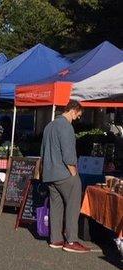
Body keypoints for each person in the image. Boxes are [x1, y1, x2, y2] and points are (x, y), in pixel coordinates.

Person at [41, 100, 90, 253]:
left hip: (50, 174)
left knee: (56, 207)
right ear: (73, 110)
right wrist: (74, 172)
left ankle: (55, 239)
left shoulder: (49, 126)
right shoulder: (66, 127)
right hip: (64, 173)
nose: (77, 119)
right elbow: (68, 154)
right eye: (78, 115)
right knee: (73, 206)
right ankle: (71, 240)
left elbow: (42, 152)